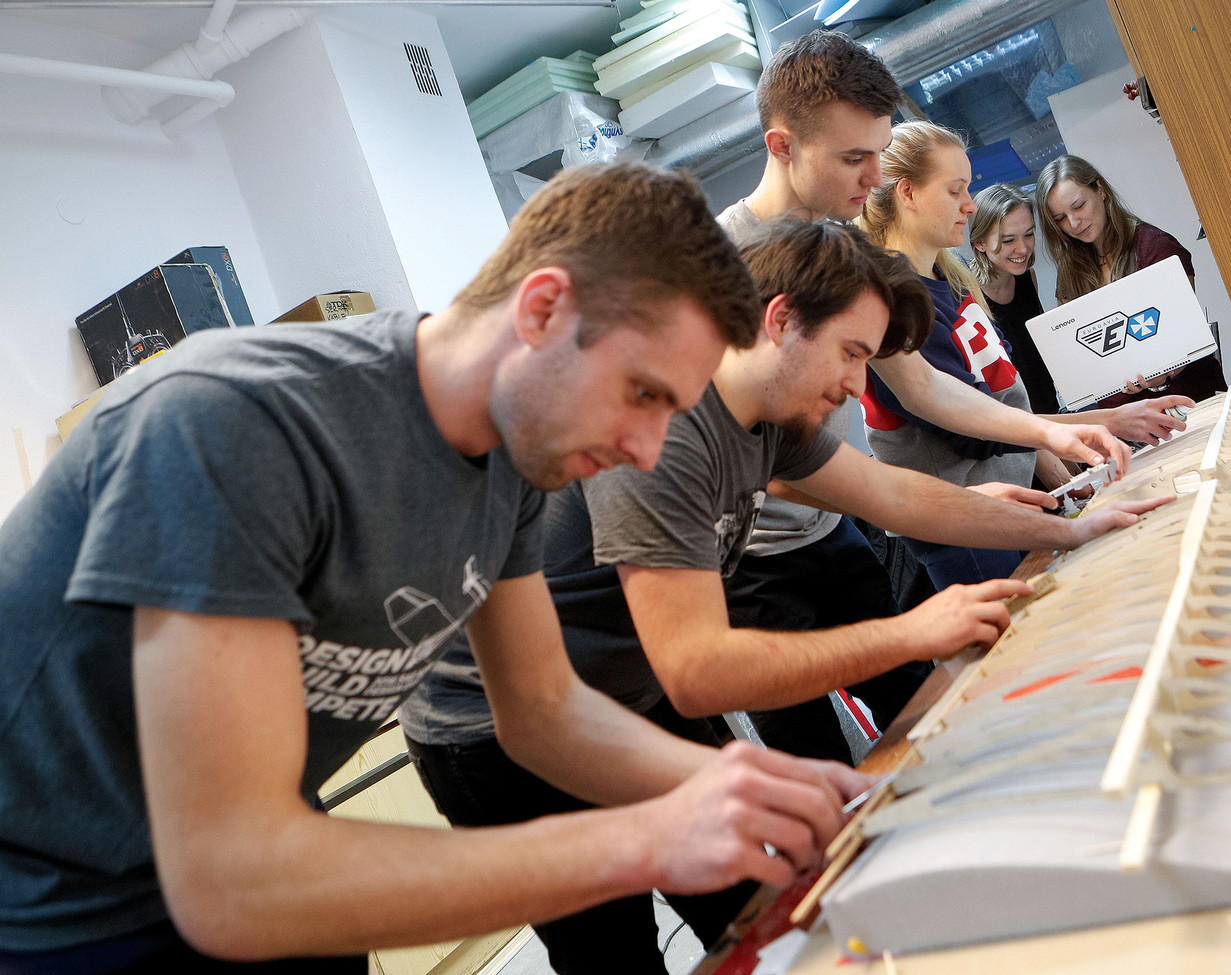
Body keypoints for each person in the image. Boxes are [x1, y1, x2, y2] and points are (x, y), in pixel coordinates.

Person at [0, 162, 873, 973]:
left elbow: (543, 708)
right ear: (542, 310)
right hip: (49, 911)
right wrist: (641, 840)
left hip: (229, 857)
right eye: (642, 393)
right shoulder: (229, 425)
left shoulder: (513, 459)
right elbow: (231, 879)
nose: (647, 450)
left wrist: (751, 783)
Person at [401, 218, 1170, 975]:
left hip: (626, 688)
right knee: (614, 951)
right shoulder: (669, 430)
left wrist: (1070, 528)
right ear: (779, 321)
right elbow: (699, 670)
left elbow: (893, 494)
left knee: (753, 901)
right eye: (851, 353)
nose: (858, 384)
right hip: (495, 726)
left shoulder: (771, 415)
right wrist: (912, 632)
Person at [717, 31, 1185, 760]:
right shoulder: (724, 267)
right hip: (754, 555)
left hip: (834, 525)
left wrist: (1047, 444)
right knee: (813, 757)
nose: (876, 176)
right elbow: (805, 471)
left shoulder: (844, 249)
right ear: (782, 146)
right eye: (855, 157)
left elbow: (921, 393)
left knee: (925, 719)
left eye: (881, 153)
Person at [856, 121, 1193, 589]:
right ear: (907, 193)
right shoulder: (893, 300)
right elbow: (974, 428)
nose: (969, 205)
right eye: (955, 190)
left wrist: (1107, 420)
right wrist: (1095, 425)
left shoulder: (948, 280)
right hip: (965, 524)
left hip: (1005, 504)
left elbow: (1002, 407)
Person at [1035, 154, 1228, 405]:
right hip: (1122, 416)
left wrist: (1164, 374)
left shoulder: (1156, 247)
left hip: (1190, 403)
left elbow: (1185, 337)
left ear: (1101, 190)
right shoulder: (1070, 270)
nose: (1073, 222)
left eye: (1079, 206)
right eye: (1060, 218)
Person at [969, 183, 1056, 414]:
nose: (1023, 248)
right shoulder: (967, 297)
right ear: (980, 243)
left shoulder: (1028, 277)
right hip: (1012, 423)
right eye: (1008, 240)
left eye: (1029, 234)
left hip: (1049, 410)